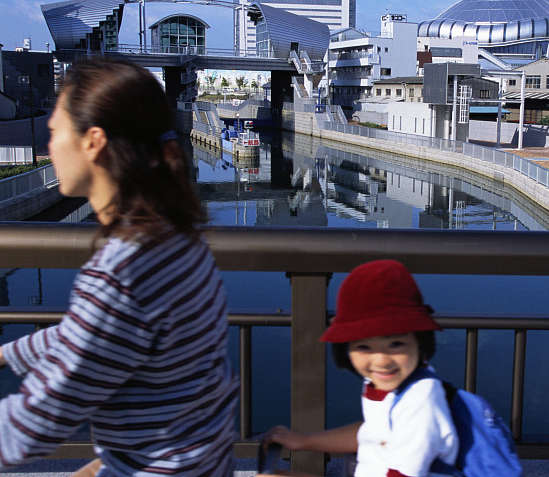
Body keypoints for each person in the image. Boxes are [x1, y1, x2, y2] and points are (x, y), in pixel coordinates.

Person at [0, 59, 238, 475]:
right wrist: (8, 353)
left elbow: (33, 422)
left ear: (93, 141)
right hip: (203, 461)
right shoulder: (175, 236)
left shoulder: (121, 270)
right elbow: (93, 333)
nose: (49, 145)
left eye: (55, 131)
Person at [263, 259, 458, 477]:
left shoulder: (420, 401)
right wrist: (301, 441)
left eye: (396, 344)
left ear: (420, 342)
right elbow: (373, 432)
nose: (381, 361)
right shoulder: (390, 381)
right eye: (364, 347)